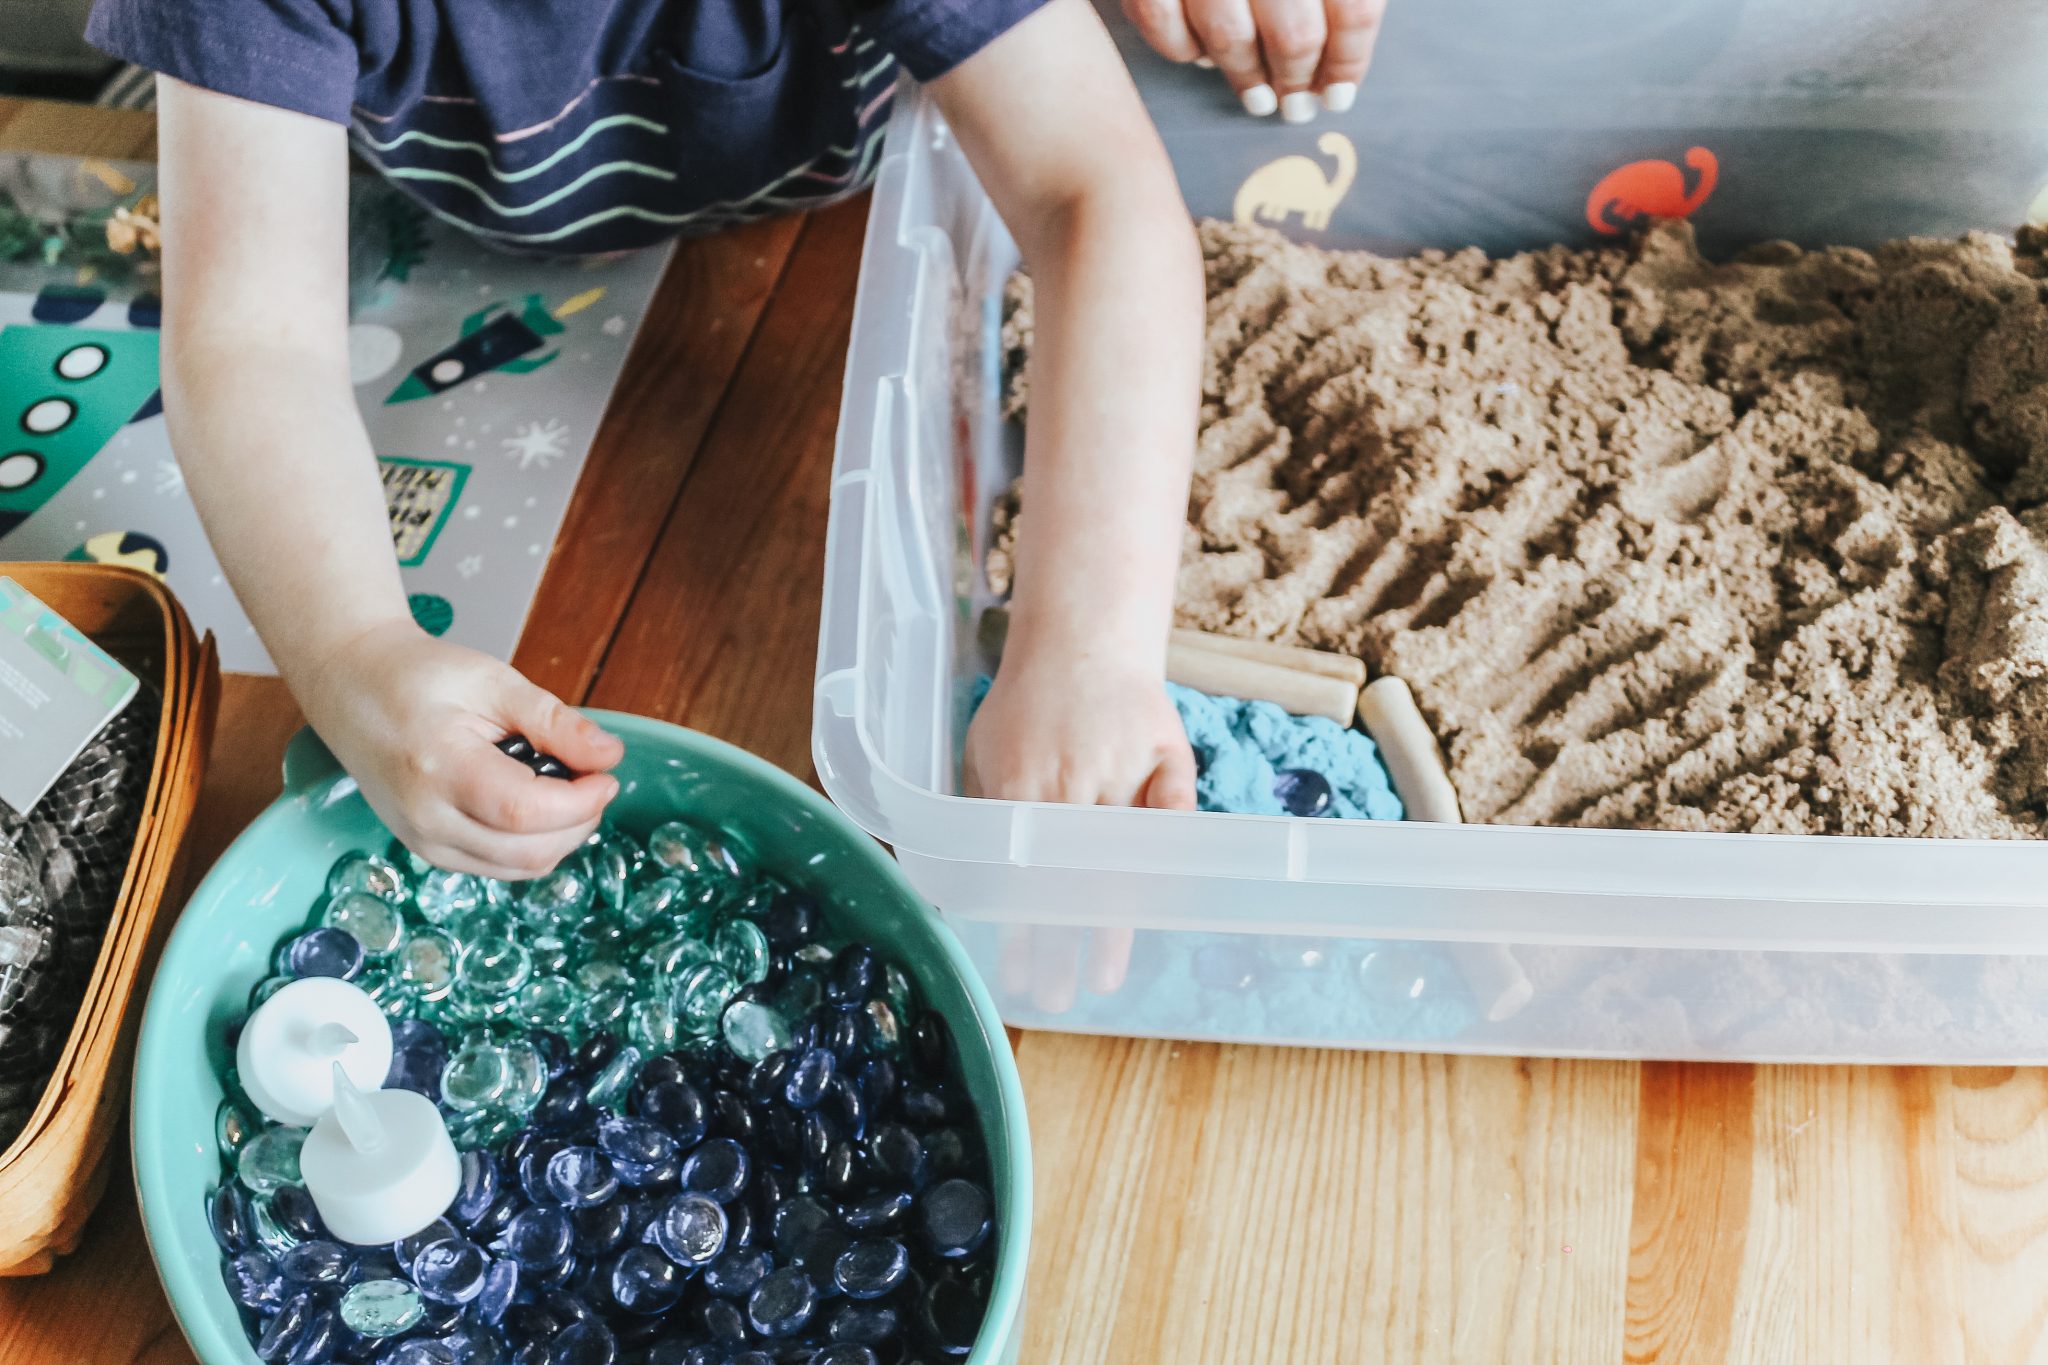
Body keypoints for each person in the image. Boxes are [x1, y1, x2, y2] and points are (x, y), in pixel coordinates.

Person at [84, 0, 1383, 893]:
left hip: (825, 237)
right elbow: (253, 341)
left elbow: (1085, 190)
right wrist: (356, 648)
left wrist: (1088, 654)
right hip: (431, 225)